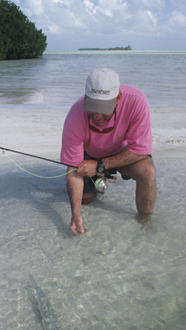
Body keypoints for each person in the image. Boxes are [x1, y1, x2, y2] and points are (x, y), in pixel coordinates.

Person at [61, 67, 157, 235]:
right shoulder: (75, 116)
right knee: (85, 200)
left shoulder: (137, 101)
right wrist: (75, 214)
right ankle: (99, 180)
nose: (97, 116)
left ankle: (145, 218)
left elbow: (141, 150)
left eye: (103, 108)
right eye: (92, 106)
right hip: (90, 154)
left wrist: (100, 165)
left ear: (118, 98)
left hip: (122, 152)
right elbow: (73, 169)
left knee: (147, 172)